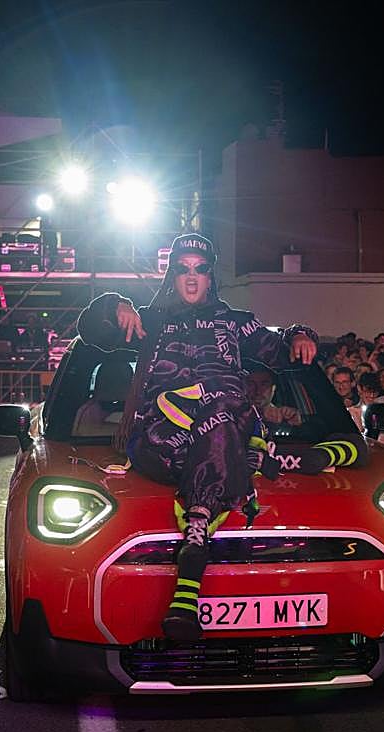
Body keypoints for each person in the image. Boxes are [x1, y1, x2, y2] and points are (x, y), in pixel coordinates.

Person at [77, 233, 320, 642]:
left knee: (222, 410)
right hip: (162, 442)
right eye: (183, 269)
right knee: (224, 410)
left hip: (221, 434)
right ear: (172, 275)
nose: (192, 277)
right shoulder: (149, 320)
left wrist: (300, 334)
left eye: (200, 269)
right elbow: (91, 333)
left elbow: (285, 352)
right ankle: (262, 461)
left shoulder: (237, 323)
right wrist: (113, 305)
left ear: (211, 276)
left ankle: (194, 548)